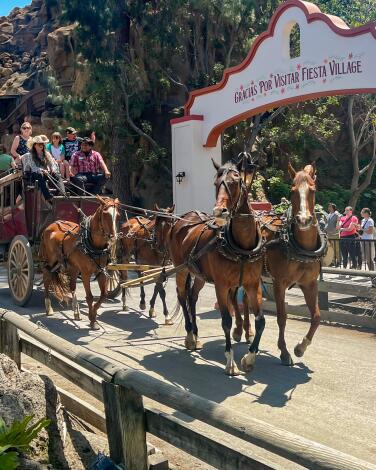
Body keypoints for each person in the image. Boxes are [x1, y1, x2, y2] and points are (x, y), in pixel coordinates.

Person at [21, 135, 65, 208]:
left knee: (57, 175)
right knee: (39, 175)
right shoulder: (29, 155)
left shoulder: (46, 154)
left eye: (43, 144)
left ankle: (61, 193)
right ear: (35, 145)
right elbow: (33, 168)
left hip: (45, 174)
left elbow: (54, 164)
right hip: (32, 175)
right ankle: (48, 196)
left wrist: (53, 169)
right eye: (39, 144)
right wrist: (42, 170)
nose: (42, 145)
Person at [337, 206, 358, 271]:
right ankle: (344, 268)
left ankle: (354, 268)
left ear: (351, 211)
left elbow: (350, 229)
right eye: (345, 210)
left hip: (350, 237)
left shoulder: (354, 218)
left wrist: (342, 229)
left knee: (352, 254)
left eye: (347, 210)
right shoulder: (342, 218)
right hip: (342, 237)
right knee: (344, 254)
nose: (346, 211)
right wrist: (338, 221)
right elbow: (338, 227)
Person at [359, 208, 374, 272]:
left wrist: (361, 229)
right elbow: (363, 231)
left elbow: (370, 232)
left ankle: (372, 273)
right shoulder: (363, 220)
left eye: (362, 212)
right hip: (363, 240)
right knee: (366, 257)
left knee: (369, 257)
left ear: (366, 213)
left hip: (368, 240)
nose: (361, 213)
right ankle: (370, 272)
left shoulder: (370, 220)